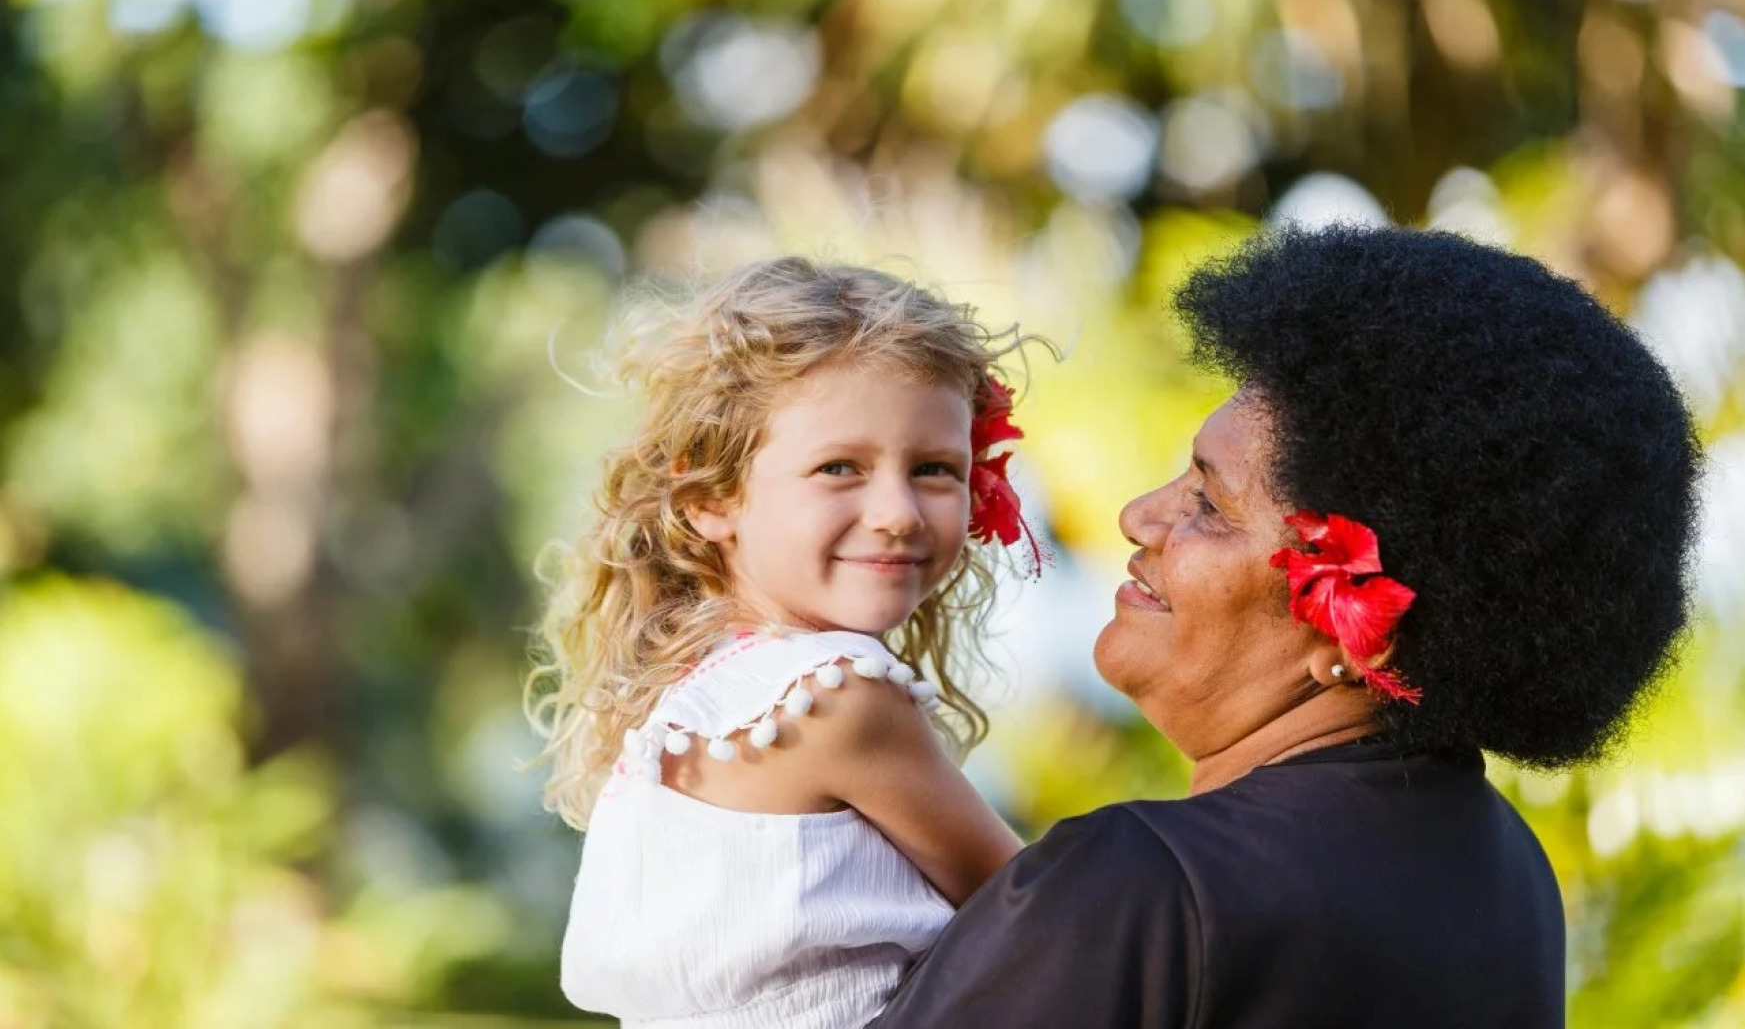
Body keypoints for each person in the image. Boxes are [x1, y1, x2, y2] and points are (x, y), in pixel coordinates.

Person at [868, 225, 1701, 1028]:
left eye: (1208, 504)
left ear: (1354, 623)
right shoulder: (1507, 874)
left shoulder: (1153, 885)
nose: (1136, 516)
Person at [526, 257, 1050, 1028]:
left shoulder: (695, 695)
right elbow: (1035, 910)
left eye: (934, 469)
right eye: (839, 467)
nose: (898, 512)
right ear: (709, 498)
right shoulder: (834, 698)